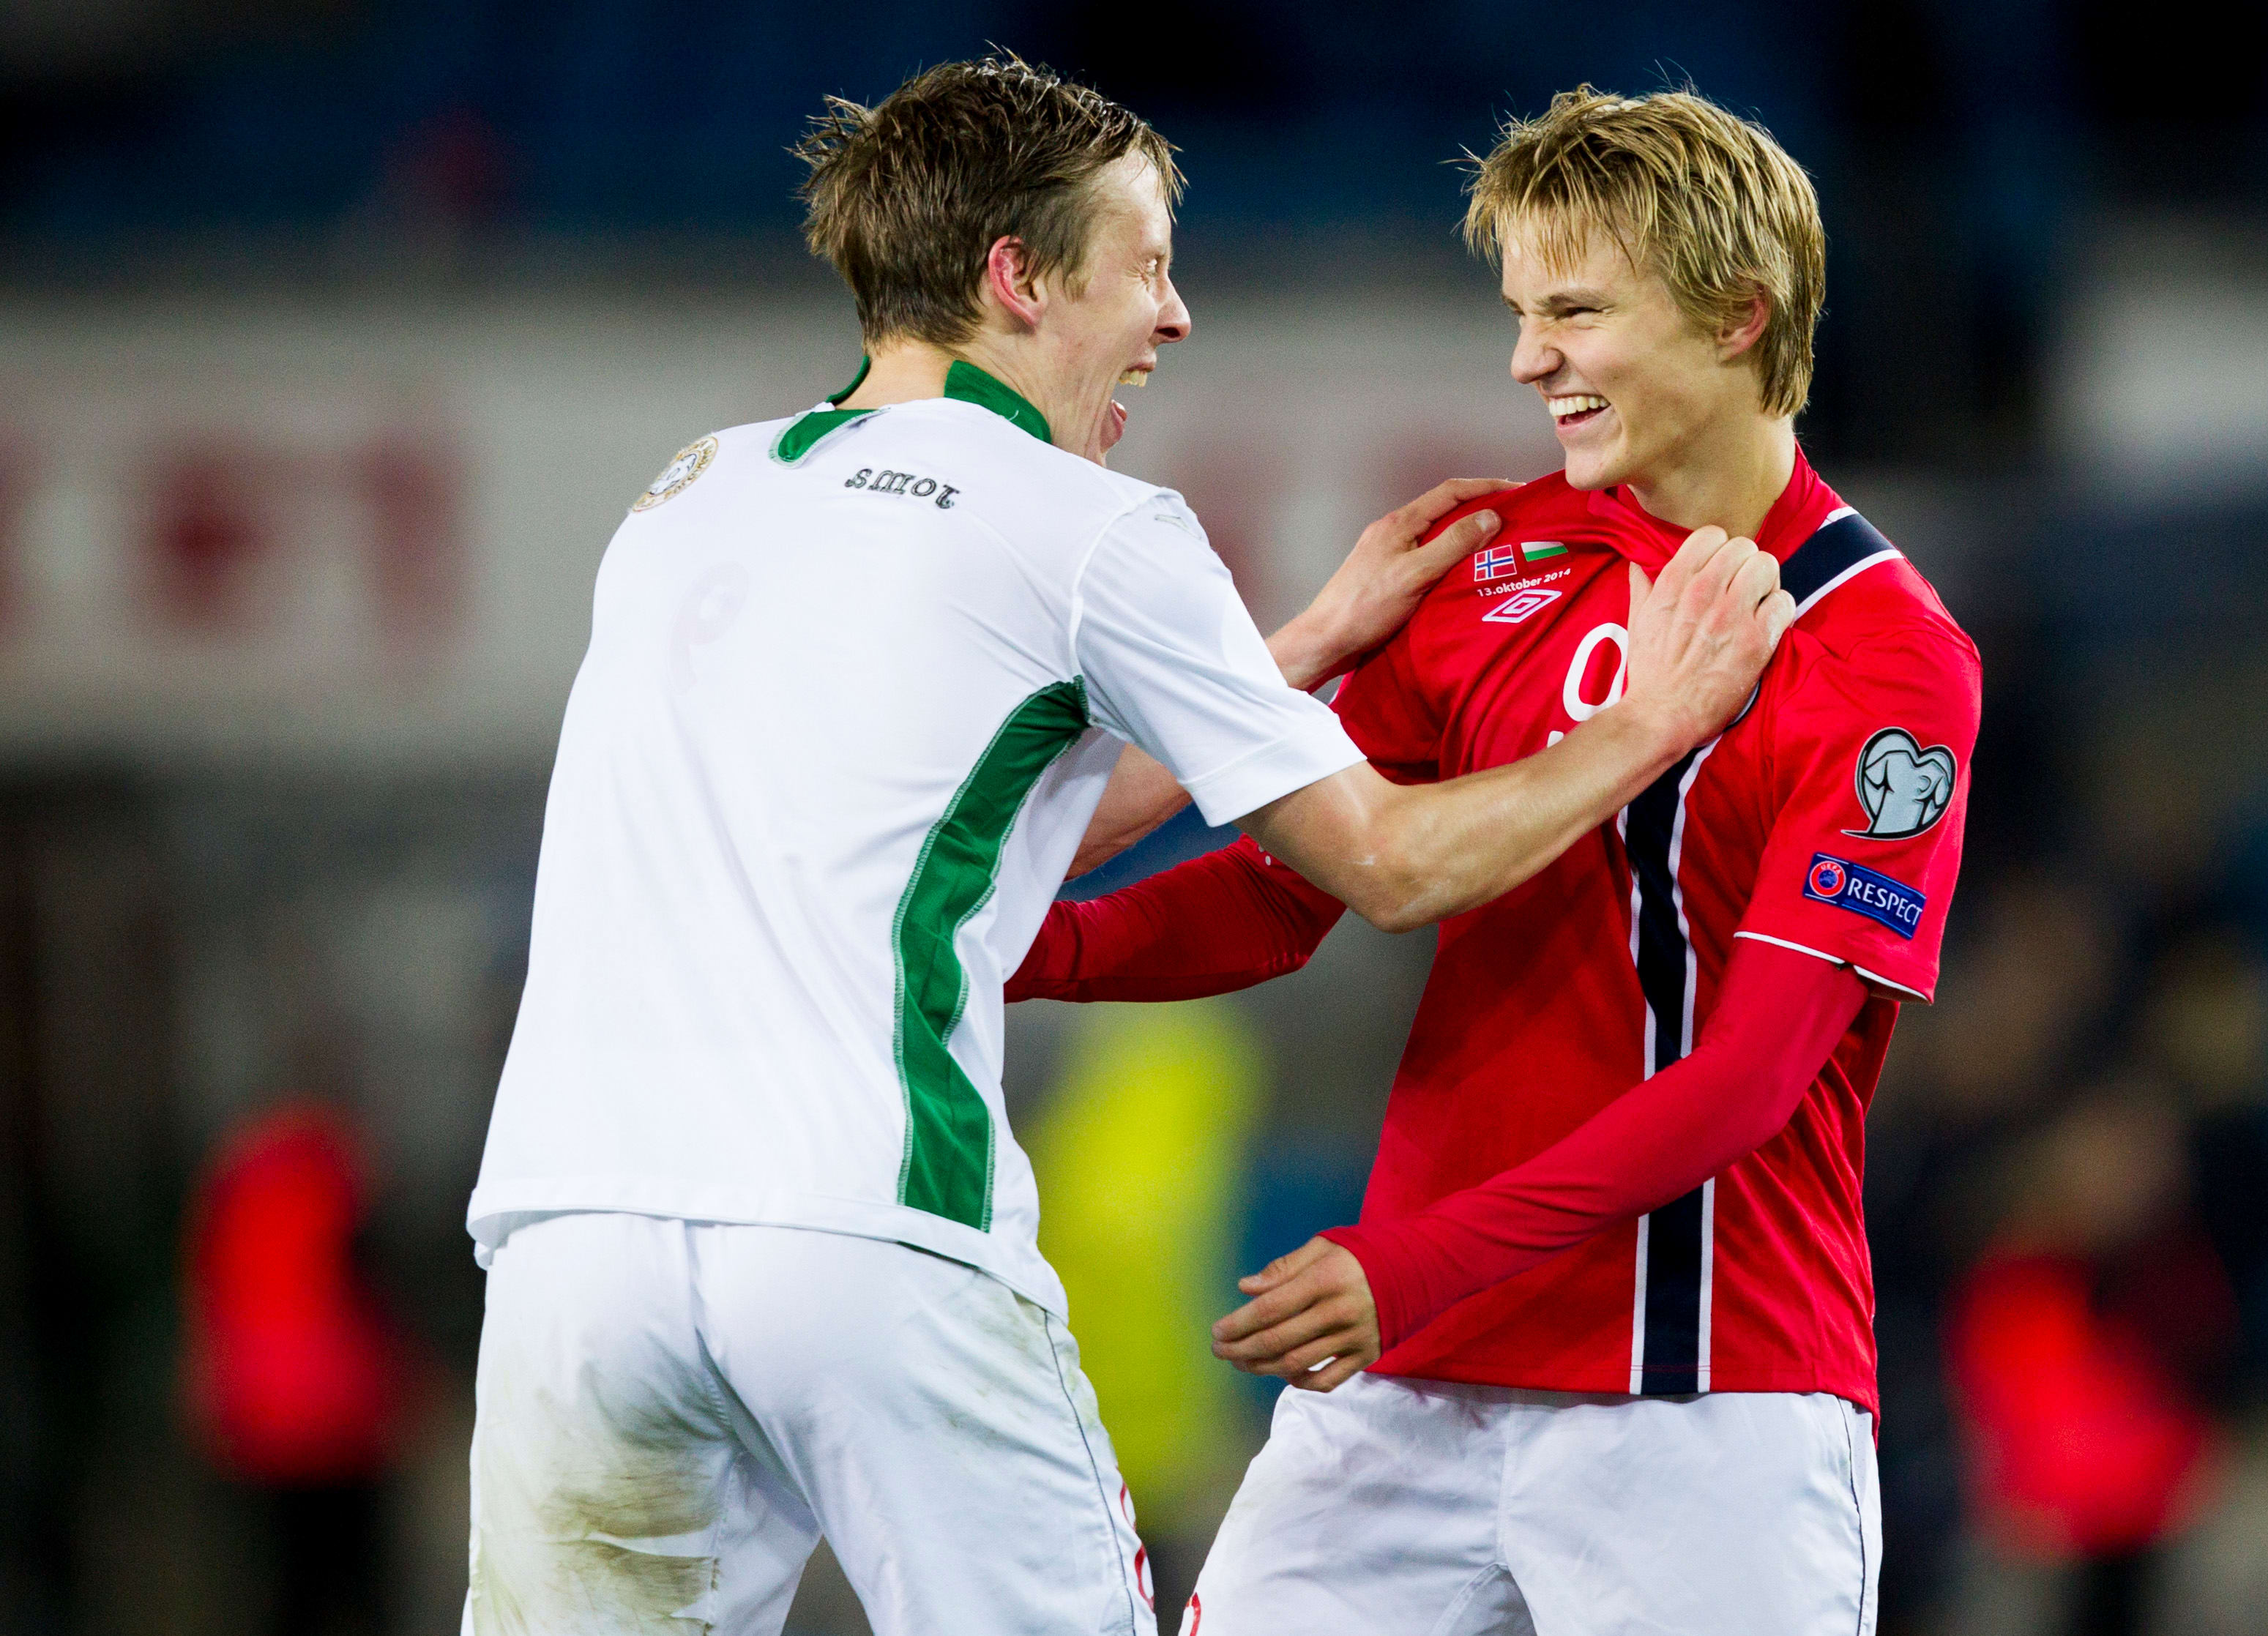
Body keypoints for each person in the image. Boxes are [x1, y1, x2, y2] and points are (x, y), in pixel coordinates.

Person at [459, 58, 1788, 1636]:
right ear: (1016, 278)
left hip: (569, 1247)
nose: (1173, 316)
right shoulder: (1090, 525)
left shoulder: (689, 495)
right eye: (1144, 265)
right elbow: (1386, 863)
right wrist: (1651, 720)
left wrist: (1297, 648)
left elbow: (954, 833)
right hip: (868, 1226)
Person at [1010, 86, 1982, 1634]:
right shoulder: (1494, 559)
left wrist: (1412, 1263)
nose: (1528, 360)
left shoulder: (1885, 657)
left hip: (1704, 1393)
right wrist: (1002, 950)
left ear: (1737, 317)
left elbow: (1751, 1077)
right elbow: (1287, 890)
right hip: (1400, 1381)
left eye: (1575, 313)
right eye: (1522, 314)